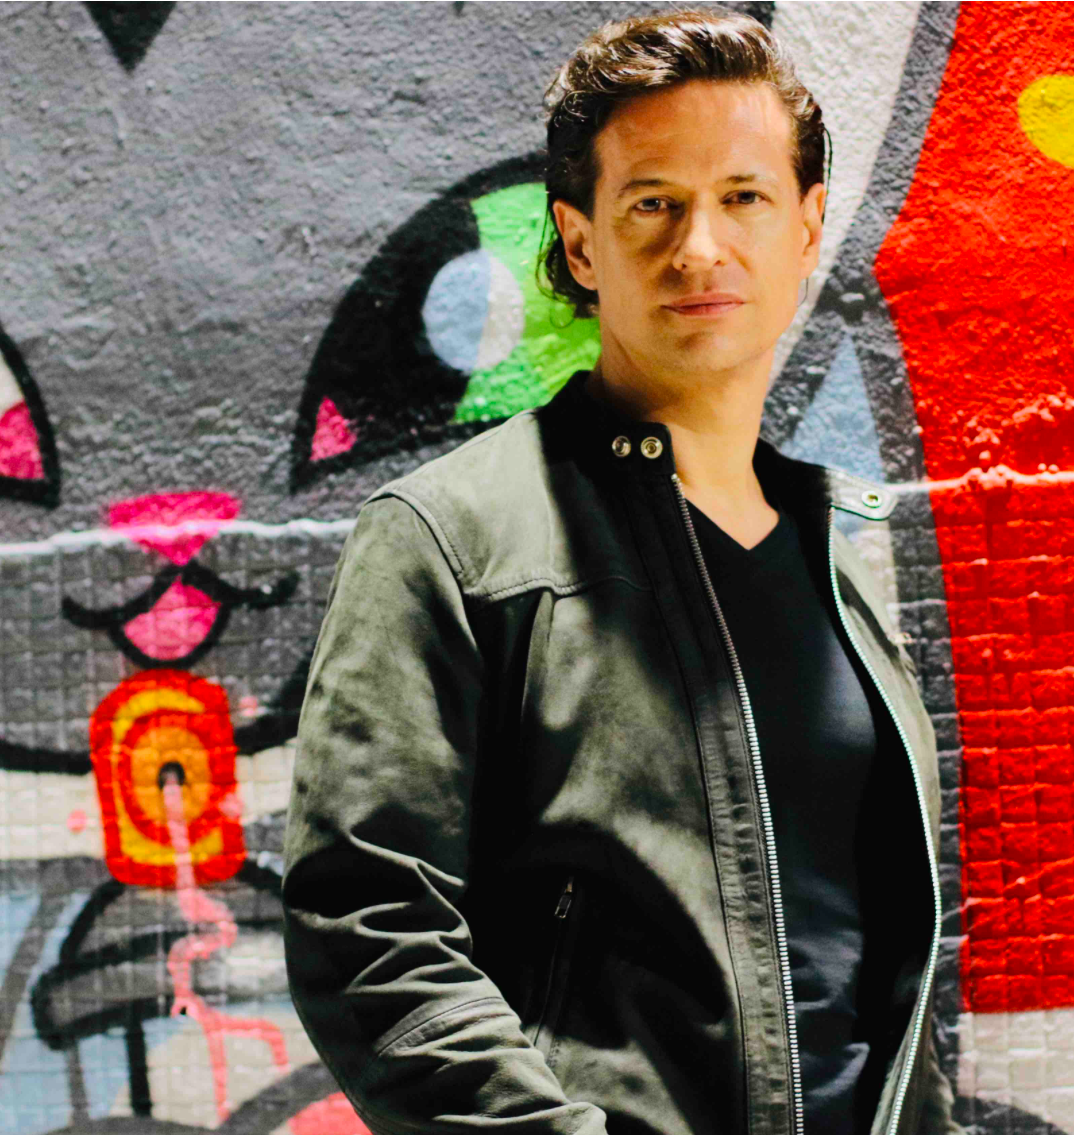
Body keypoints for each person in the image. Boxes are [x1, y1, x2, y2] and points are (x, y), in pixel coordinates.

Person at [282, 10, 957, 1135]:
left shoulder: (830, 566)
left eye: (743, 197)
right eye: (653, 204)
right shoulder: (453, 538)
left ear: (806, 228)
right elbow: (369, 927)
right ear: (582, 241)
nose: (700, 247)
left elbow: (873, 982)